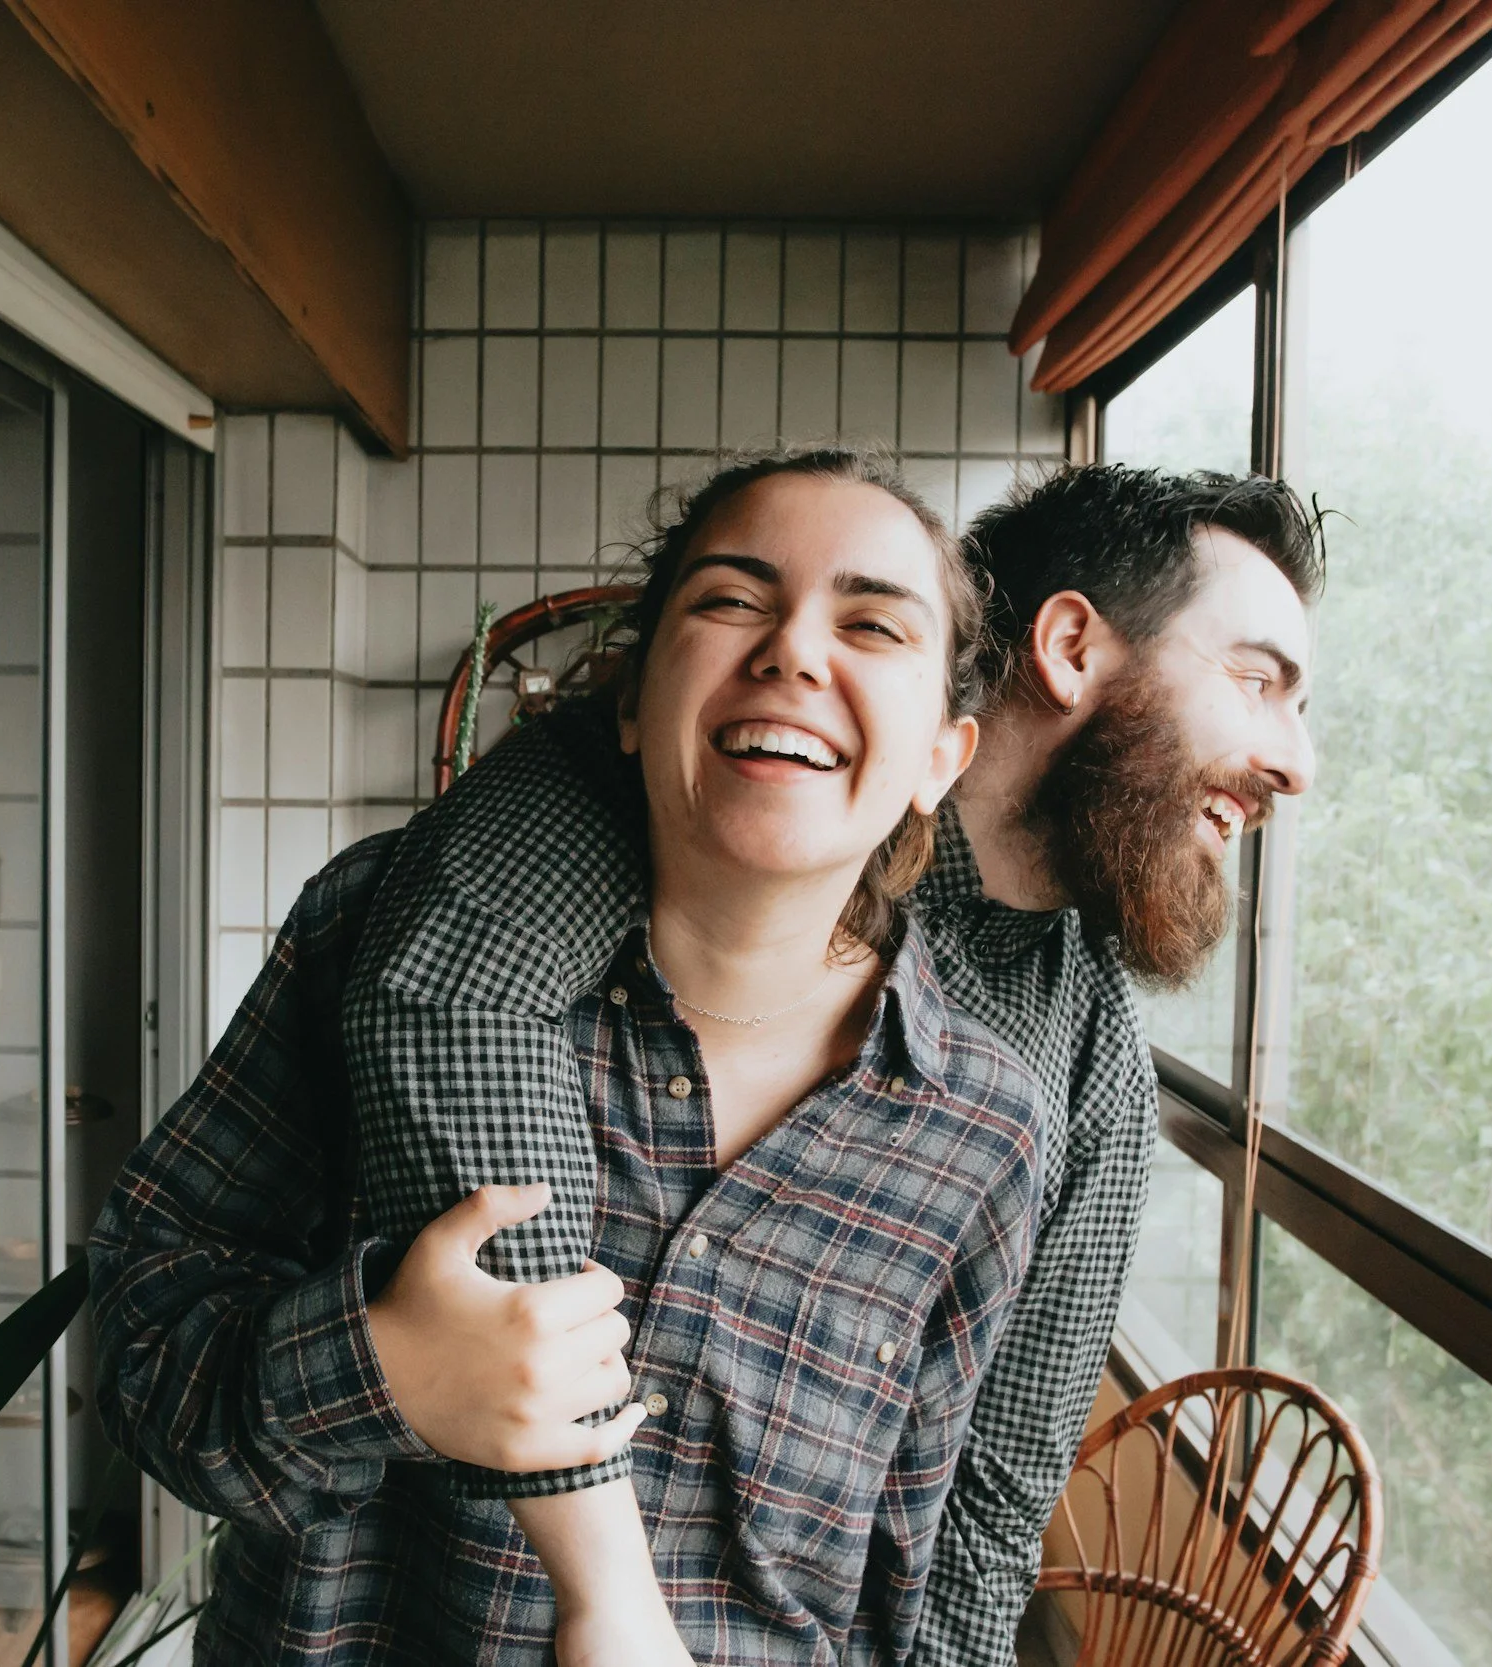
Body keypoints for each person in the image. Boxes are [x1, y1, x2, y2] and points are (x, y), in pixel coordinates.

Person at [92, 459, 1321, 1664]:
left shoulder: (1044, 1081)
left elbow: (979, 1506)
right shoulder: (474, 893)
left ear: (940, 749)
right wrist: (379, 1368)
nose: (1295, 761)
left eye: (873, 625)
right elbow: (151, 1327)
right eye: (1259, 681)